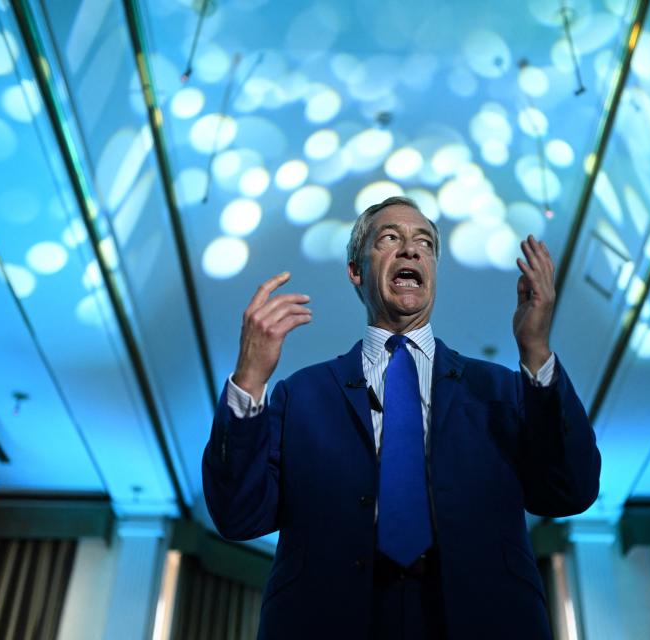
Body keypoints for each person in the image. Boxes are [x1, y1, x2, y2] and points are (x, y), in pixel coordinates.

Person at [203, 196, 601, 639]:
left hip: (483, 619)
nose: (411, 250)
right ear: (356, 270)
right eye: (390, 238)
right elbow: (238, 515)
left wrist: (536, 352)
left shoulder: (499, 389)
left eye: (425, 243)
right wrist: (250, 379)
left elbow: (571, 490)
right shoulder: (300, 396)